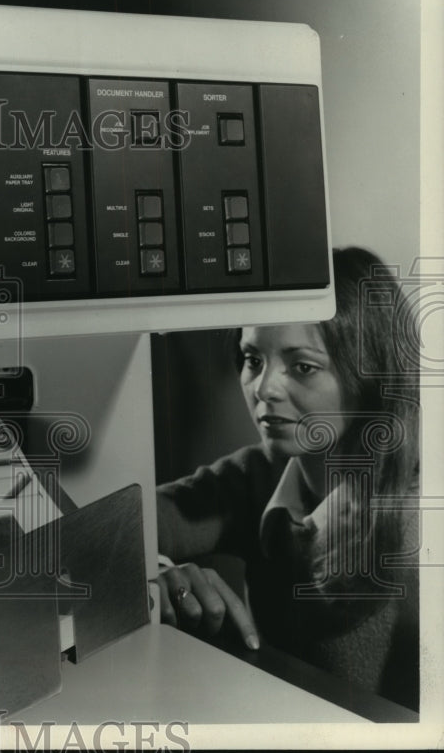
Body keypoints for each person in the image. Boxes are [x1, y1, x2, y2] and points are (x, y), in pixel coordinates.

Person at [156, 247, 421, 711]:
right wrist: (156, 570)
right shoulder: (253, 476)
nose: (263, 388)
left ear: (370, 375)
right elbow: (112, 527)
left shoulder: (420, 523)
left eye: (302, 367)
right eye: (252, 359)